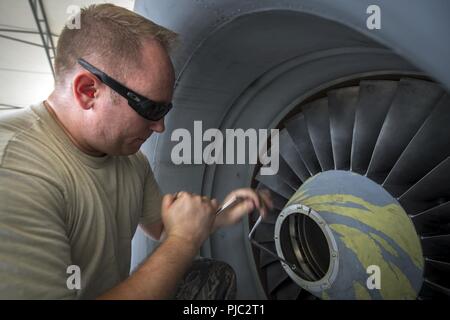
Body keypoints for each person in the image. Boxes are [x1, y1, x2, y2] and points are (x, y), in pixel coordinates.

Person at [0, 4, 272, 299]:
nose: (160, 127)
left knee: (211, 278)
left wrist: (216, 215)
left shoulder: (129, 159)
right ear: (88, 91)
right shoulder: (15, 171)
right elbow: (176, 238)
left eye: (165, 110)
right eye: (150, 108)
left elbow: (162, 227)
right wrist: (182, 241)